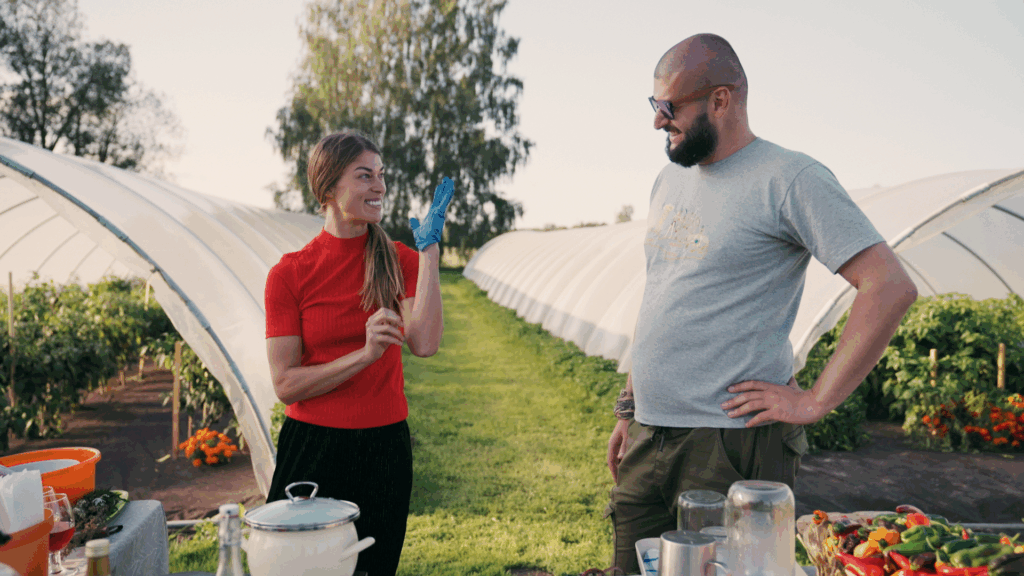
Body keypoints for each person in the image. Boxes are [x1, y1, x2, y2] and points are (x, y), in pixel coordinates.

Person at [604, 34, 919, 573]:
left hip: (728, 446)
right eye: (653, 105)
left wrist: (816, 399)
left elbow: (887, 285)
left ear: (721, 100)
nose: (657, 121)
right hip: (650, 433)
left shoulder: (790, 178)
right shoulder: (667, 181)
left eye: (669, 107)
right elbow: (663, 294)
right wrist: (633, 407)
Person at [264, 131, 450, 576]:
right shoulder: (289, 274)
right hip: (312, 451)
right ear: (328, 188)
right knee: (297, 569)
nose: (379, 187)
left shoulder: (398, 259)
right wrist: (364, 356)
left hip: (383, 449)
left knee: (372, 569)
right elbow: (285, 384)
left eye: (381, 176)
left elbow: (424, 343)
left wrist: (429, 254)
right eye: (364, 176)